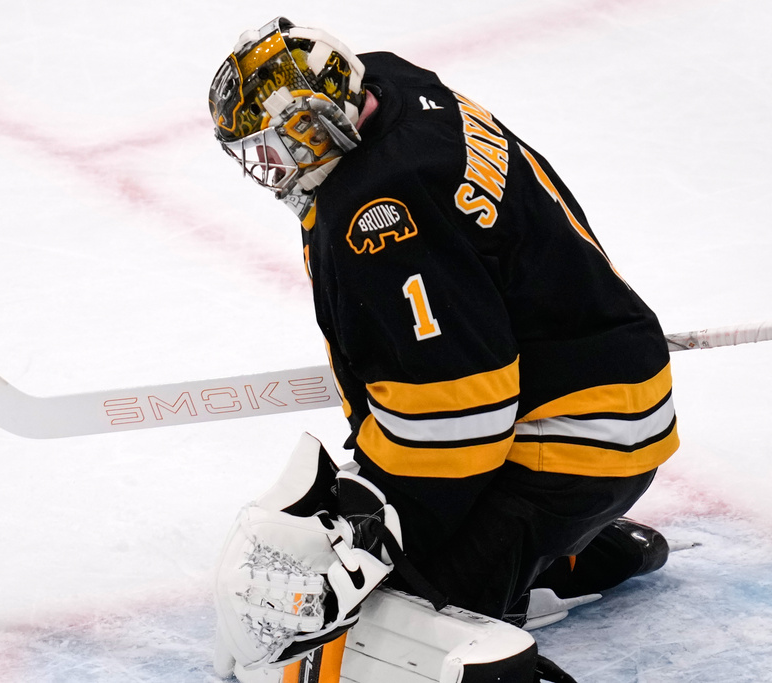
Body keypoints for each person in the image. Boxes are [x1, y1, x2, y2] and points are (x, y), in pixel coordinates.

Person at [208, 16, 678, 680]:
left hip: (579, 438)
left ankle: (556, 551)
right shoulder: (388, 84)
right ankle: (571, 549)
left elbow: (464, 418)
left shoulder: (381, 207)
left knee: (389, 618)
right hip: (609, 380)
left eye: (277, 147)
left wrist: (380, 525)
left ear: (317, 125)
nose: (270, 168)